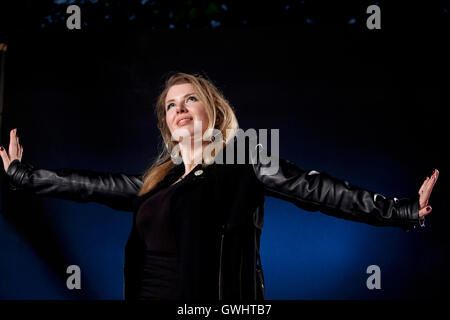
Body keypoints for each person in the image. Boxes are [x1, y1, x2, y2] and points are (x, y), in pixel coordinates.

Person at [0, 72, 439, 300]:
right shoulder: (159, 180)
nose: (180, 108)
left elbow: (316, 188)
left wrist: (400, 211)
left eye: (190, 98)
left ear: (213, 110)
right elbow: (91, 185)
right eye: (171, 105)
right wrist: (24, 176)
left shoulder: (245, 160)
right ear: (167, 124)